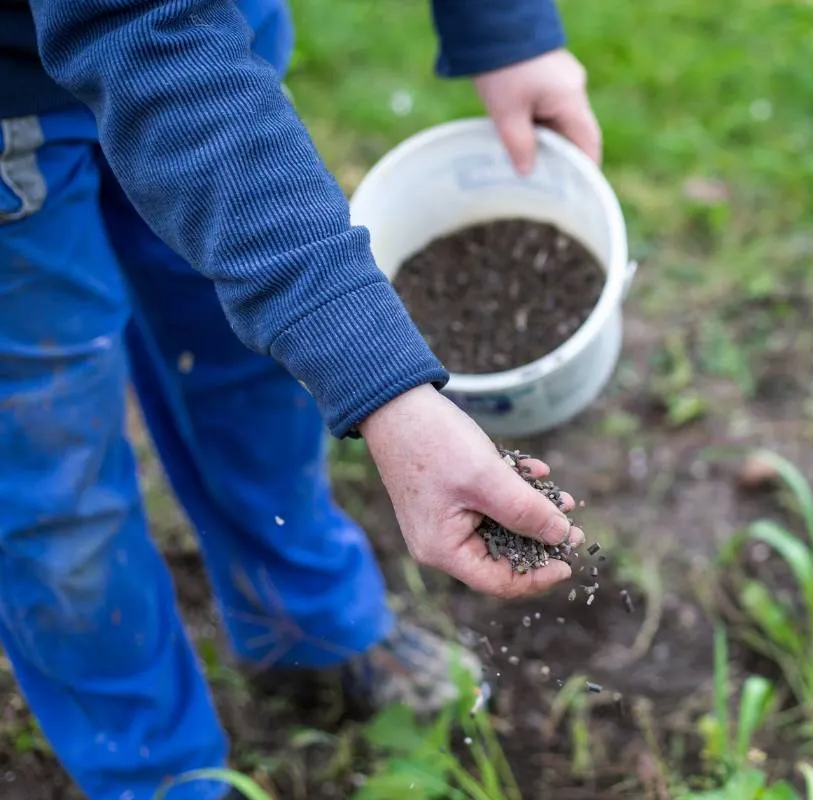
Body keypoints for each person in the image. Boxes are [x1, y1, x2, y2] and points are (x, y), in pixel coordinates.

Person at [0, 0, 603, 797]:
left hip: (213, 34)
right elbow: (144, 33)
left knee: (250, 357)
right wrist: (387, 393)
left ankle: (306, 624)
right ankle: (152, 768)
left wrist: (504, 30)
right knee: (55, 471)